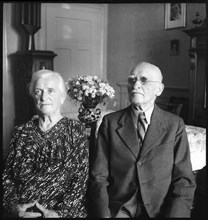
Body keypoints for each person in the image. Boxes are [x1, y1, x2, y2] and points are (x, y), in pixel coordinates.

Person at [89, 62, 196, 218]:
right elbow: (98, 176)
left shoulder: (174, 125)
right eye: (132, 80)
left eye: (143, 80)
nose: (135, 85)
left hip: (160, 211)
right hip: (119, 209)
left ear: (159, 89)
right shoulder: (110, 122)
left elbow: (183, 180)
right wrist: (104, 215)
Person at [2, 69, 89, 218]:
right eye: (38, 91)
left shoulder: (76, 131)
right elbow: (7, 177)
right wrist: (14, 208)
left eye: (51, 91)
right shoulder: (21, 132)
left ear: (62, 97)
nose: (44, 97)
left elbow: (80, 179)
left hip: (62, 214)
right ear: (33, 97)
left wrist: (60, 213)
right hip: (22, 213)